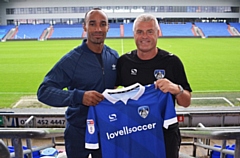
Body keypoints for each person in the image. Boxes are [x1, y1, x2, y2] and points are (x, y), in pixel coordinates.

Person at [37, 8, 119, 158]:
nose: (98, 29)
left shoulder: (113, 56)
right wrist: (79, 97)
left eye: (103, 24)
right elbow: (44, 91)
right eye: (93, 24)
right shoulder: (72, 60)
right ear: (85, 27)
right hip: (78, 131)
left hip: (107, 130)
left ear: (108, 27)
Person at [115, 13, 192, 158]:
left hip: (165, 134)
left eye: (150, 31)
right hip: (133, 132)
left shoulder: (172, 62)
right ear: (134, 34)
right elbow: (110, 95)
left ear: (158, 33)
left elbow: (186, 102)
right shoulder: (124, 62)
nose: (145, 36)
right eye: (140, 32)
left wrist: (176, 89)